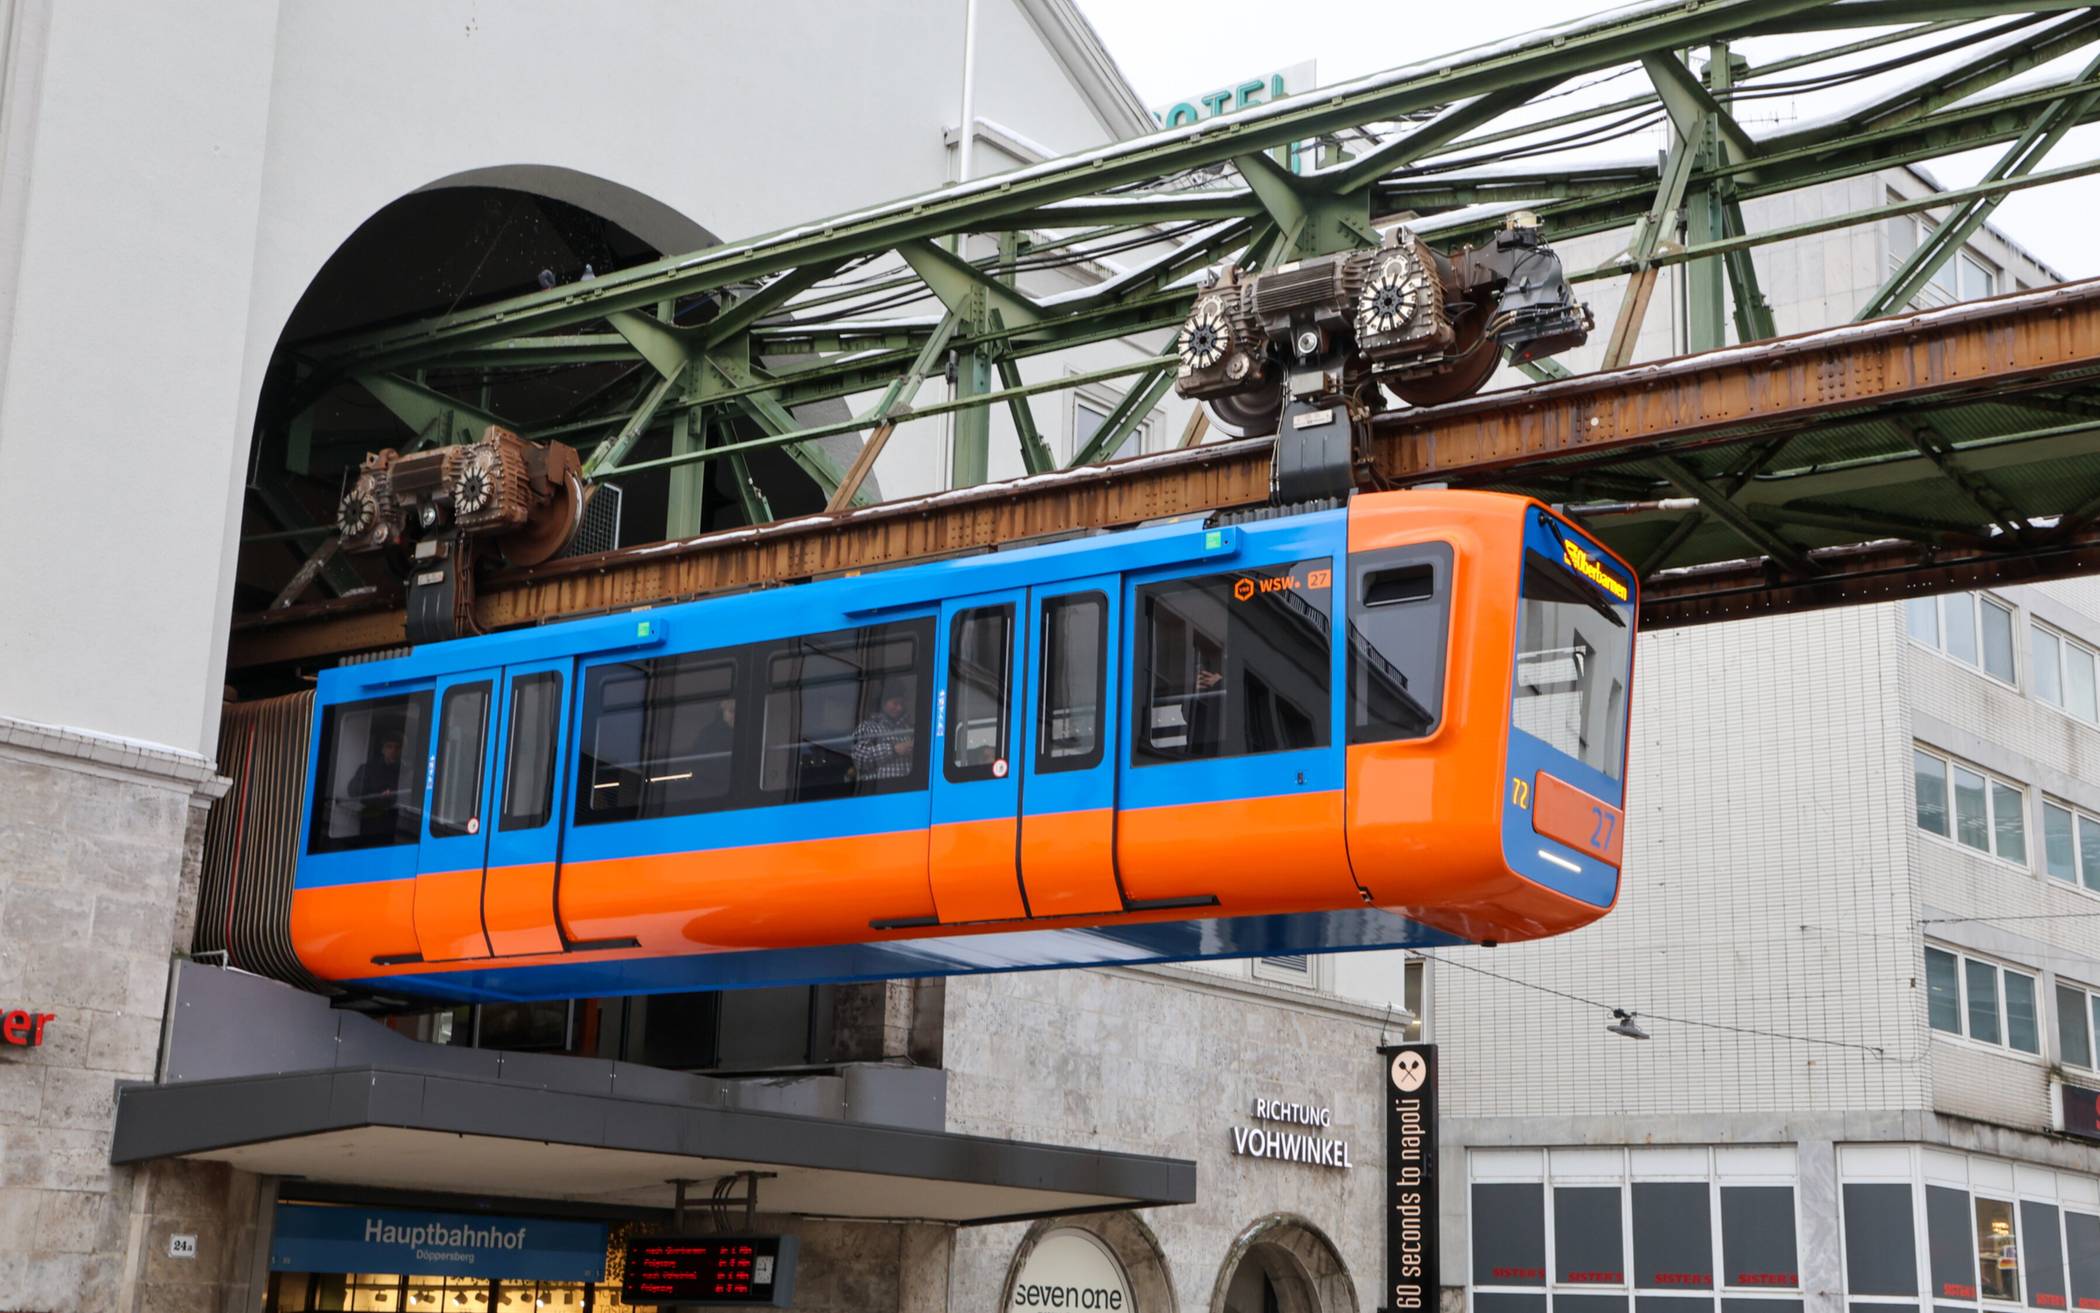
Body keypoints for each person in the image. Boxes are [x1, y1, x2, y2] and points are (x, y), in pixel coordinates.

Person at [347, 731, 405, 838]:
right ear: (383, 749)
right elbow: (353, 790)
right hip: (370, 822)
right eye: (389, 747)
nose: (393, 750)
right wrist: (378, 795)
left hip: (396, 825)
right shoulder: (368, 768)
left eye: (397, 747)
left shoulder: (406, 771)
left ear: (401, 750)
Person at [852, 690, 915, 782]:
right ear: (883, 703)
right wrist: (894, 749)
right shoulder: (867, 727)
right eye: (895, 703)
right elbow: (859, 759)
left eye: (902, 704)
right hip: (880, 791)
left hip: (909, 789)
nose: (899, 708)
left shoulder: (910, 729)